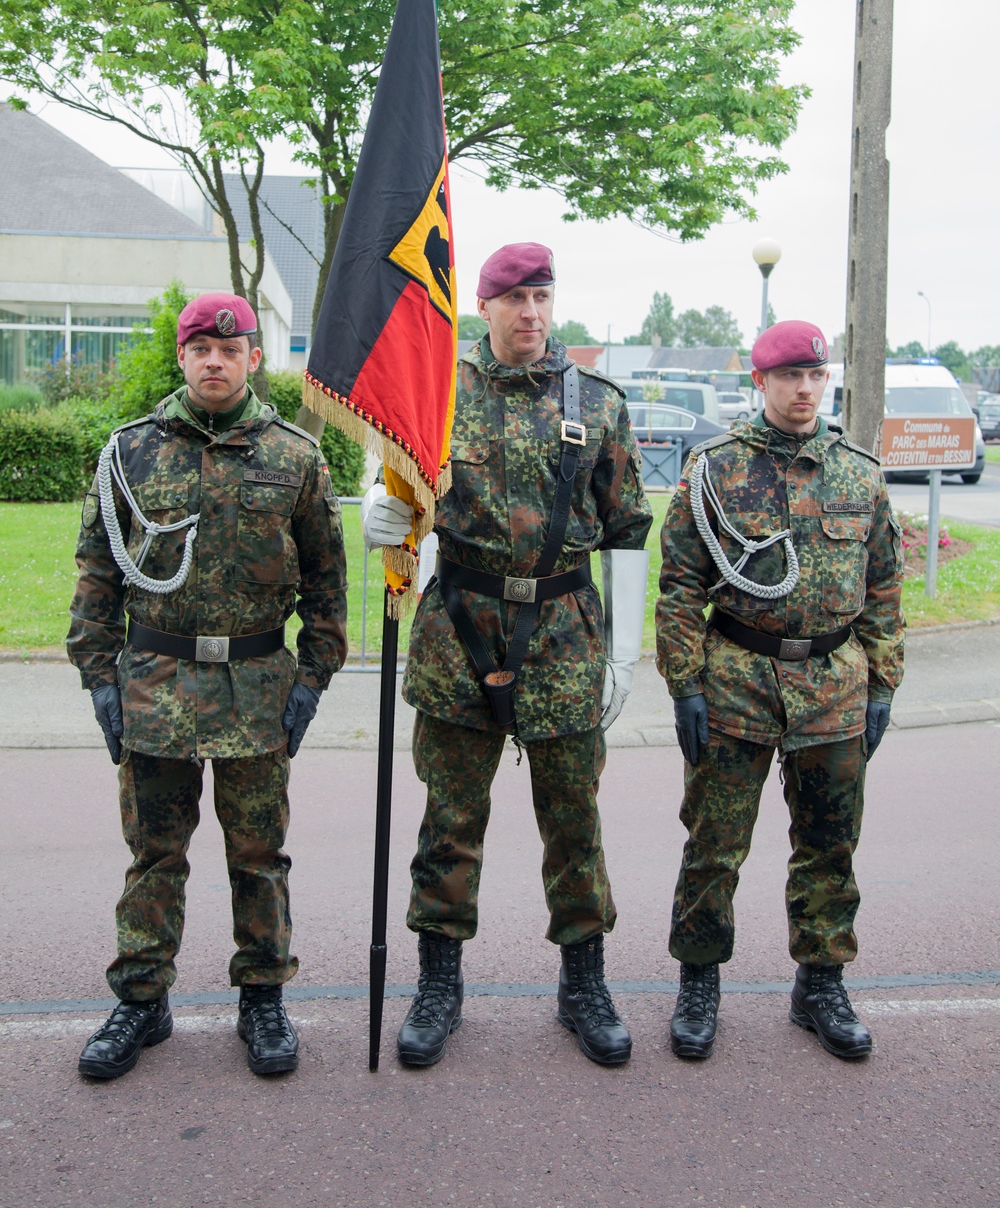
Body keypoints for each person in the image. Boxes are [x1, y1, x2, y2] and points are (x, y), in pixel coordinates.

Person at [362, 243, 652, 1068]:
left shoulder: (595, 403)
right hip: (458, 628)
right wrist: (378, 523)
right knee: (449, 822)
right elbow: (396, 494)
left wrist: (624, 653)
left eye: (543, 297)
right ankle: (439, 983)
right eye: (515, 298)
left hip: (564, 635)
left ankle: (584, 983)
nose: (531, 313)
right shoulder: (436, 394)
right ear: (482, 308)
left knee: (574, 823)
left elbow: (628, 525)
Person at [68, 293, 348, 1080]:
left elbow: (328, 580)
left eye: (231, 349)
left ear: (255, 357)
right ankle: (142, 1000)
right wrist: (98, 680)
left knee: (258, 855)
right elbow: (96, 576)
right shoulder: (128, 454)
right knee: (154, 856)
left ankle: (262, 998)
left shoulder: (295, 456)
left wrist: (314, 678)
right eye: (200, 349)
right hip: (155, 686)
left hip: (257, 690)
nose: (215, 361)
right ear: (184, 358)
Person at [656, 321, 904, 1061]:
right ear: (760, 382)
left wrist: (884, 681)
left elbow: (885, 589)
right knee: (714, 843)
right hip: (736, 681)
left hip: (833, 686)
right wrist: (684, 684)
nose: (804, 389)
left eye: (814, 375)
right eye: (789, 376)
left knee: (829, 844)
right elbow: (678, 587)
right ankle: (699, 981)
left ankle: (820, 982)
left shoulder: (860, 473)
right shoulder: (716, 469)